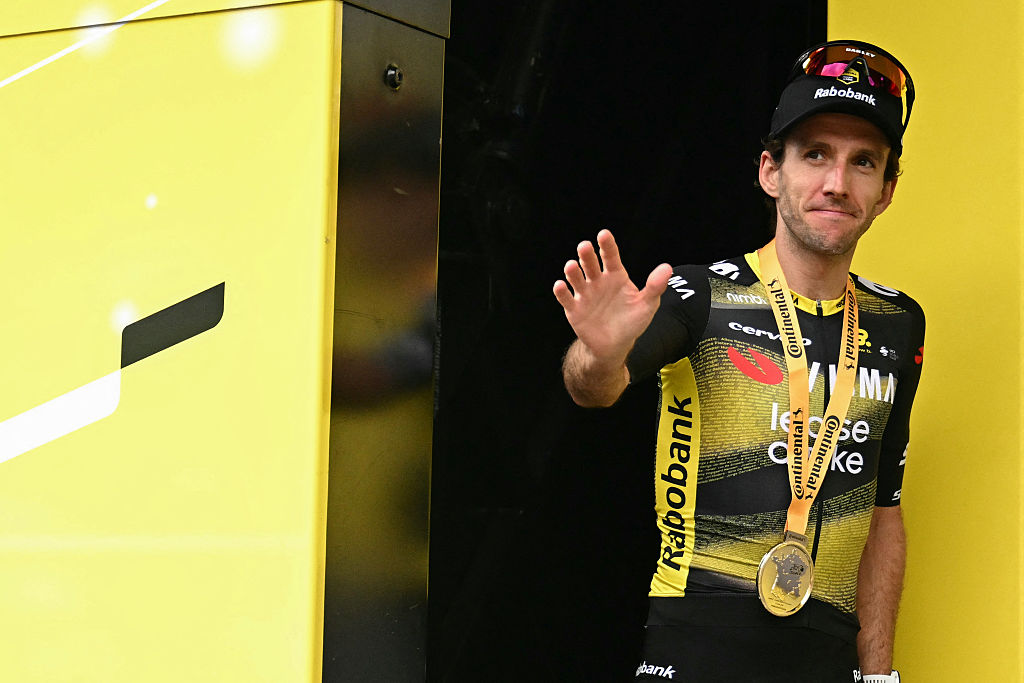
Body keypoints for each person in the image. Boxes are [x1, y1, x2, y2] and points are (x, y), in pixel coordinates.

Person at [553, 40, 923, 683]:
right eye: (814, 155)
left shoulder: (898, 321)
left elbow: (883, 509)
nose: (837, 182)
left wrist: (881, 674)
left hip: (829, 660)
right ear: (769, 172)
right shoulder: (699, 295)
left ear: (887, 191)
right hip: (694, 652)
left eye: (863, 162)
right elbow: (595, 389)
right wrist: (599, 352)